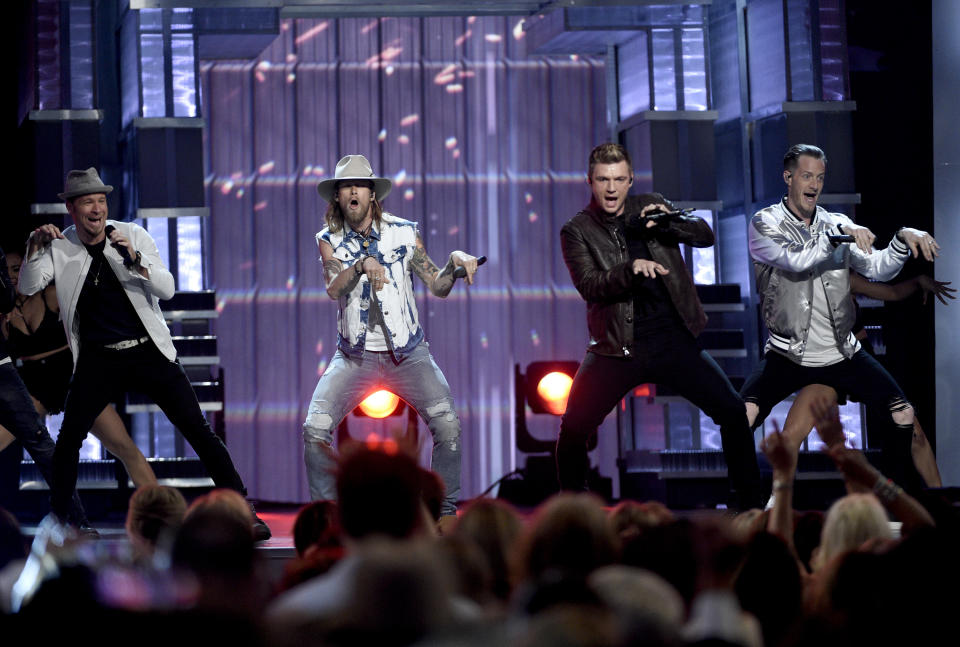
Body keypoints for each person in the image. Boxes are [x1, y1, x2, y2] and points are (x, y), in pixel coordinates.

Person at [18, 167, 271, 540]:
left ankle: (242, 512)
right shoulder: (60, 247)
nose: (97, 209)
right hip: (99, 359)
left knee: (197, 430)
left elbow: (167, 289)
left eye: (101, 201)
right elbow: (27, 283)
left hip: (148, 351)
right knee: (70, 439)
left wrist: (135, 259)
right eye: (88, 202)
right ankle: (66, 521)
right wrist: (34, 248)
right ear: (71, 208)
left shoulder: (132, 235)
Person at [558, 142, 762, 509]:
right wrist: (629, 271)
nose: (611, 188)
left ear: (630, 179)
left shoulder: (649, 204)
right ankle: (574, 515)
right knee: (573, 429)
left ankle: (748, 507)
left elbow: (705, 235)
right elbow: (590, 285)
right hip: (617, 346)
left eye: (619, 179)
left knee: (733, 412)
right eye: (603, 180)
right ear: (589, 181)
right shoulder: (578, 229)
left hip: (673, 340)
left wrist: (672, 220)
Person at [741, 143, 939, 493]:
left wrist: (902, 239)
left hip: (842, 353)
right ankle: (747, 505)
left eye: (819, 177)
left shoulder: (837, 222)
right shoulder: (765, 223)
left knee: (904, 415)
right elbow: (796, 260)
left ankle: (892, 499)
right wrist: (838, 240)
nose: (814, 184)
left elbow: (878, 270)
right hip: (787, 353)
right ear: (788, 178)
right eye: (806, 176)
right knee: (742, 418)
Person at [302, 154, 478, 517]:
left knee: (448, 426)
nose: (353, 192)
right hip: (354, 355)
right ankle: (331, 516)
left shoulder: (403, 231)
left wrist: (455, 264)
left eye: (360, 186)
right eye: (345, 187)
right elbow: (334, 287)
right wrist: (361, 266)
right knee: (314, 428)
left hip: (408, 353)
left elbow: (437, 284)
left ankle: (443, 513)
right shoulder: (328, 239)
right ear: (336, 197)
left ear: (372, 194)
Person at [0, 247, 156, 488]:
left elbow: (90, 307)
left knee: (124, 447)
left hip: (72, 380)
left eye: (16, 269)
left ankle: (161, 512)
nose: (11, 275)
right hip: (35, 386)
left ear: (27, 270)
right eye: (5, 270)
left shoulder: (50, 295)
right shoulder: (4, 313)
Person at [0, 245, 92, 532]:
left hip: (34, 378)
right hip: (32, 381)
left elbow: (5, 299)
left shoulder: (45, 294)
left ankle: (79, 523)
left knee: (41, 442)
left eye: (17, 270)